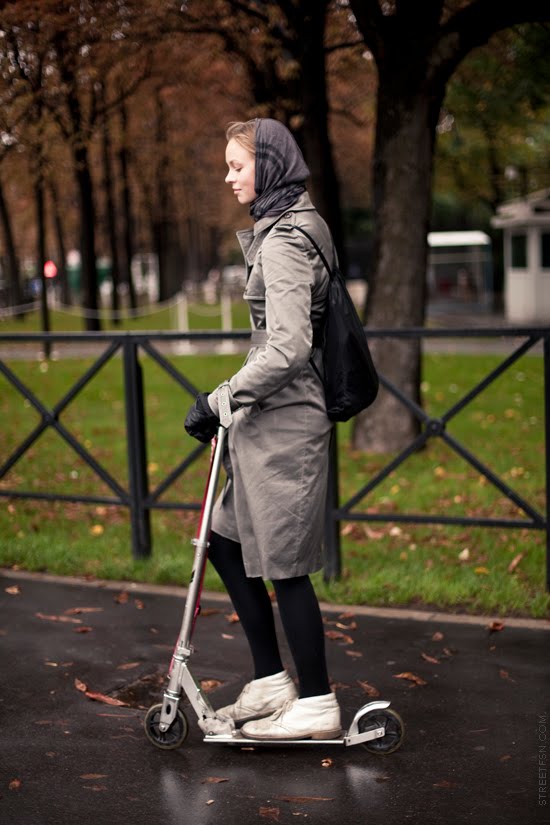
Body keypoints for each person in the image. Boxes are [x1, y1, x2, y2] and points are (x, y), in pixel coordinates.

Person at [184, 118, 341, 741]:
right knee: (225, 540)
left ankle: (318, 702)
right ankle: (272, 679)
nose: (228, 177)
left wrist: (220, 398)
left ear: (269, 165)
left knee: (284, 564)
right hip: (265, 419)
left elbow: (288, 347)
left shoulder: (283, 240)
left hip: (285, 426)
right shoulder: (298, 222)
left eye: (237, 166)